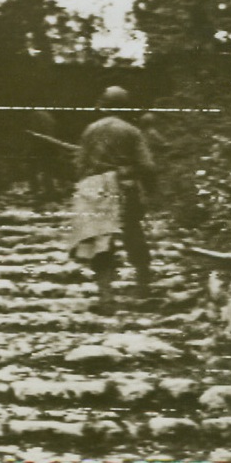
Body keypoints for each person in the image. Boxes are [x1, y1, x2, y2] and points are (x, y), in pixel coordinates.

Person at [69, 86, 157, 313]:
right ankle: (144, 287)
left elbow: (79, 165)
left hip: (94, 189)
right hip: (123, 187)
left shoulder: (90, 131)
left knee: (101, 242)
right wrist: (151, 189)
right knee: (133, 233)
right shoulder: (131, 131)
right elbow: (147, 166)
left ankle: (106, 298)